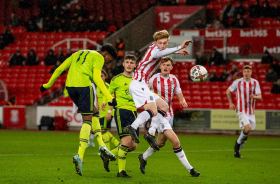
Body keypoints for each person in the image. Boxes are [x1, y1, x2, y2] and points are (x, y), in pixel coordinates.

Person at [40, 45, 118, 176]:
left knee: (94, 112)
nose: (107, 64)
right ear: (105, 54)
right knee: (87, 120)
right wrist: (110, 97)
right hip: (84, 87)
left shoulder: (77, 53)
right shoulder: (99, 57)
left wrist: (48, 84)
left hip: (70, 88)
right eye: (108, 61)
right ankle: (79, 156)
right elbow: (97, 78)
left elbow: (60, 69)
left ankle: (101, 145)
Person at [125, 30, 192, 150]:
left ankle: (150, 133)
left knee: (164, 107)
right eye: (160, 43)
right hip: (138, 83)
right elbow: (159, 53)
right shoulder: (154, 50)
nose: (162, 45)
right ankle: (134, 127)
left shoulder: (158, 51)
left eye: (165, 43)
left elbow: (163, 54)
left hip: (141, 85)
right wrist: (179, 47)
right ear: (155, 42)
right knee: (153, 110)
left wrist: (177, 51)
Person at [138, 56, 200, 177]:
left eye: (168, 65)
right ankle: (190, 169)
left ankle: (143, 157)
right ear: (160, 66)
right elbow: (145, 91)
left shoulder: (174, 79)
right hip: (159, 114)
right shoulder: (153, 79)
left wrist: (182, 101)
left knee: (160, 143)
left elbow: (178, 92)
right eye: (164, 65)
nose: (165, 67)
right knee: (175, 141)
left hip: (169, 114)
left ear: (171, 67)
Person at [100, 54, 138, 178]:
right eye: (127, 62)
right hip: (122, 111)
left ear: (135, 65)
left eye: (131, 62)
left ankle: (108, 154)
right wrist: (106, 102)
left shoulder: (138, 79)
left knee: (133, 146)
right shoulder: (116, 79)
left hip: (134, 112)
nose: (129, 64)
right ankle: (121, 171)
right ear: (123, 64)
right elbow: (109, 93)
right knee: (126, 141)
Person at [226, 65, 262, 158]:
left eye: (248, 71)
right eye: (245, 71)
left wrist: (254, 97)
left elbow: (260, 96)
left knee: (246, 132)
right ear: (242, 72)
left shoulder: (255, 82)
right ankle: (237, 145)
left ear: (251, 72)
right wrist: (230, 103)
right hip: (241, 110)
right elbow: (228, 91)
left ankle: (237, 152)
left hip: (250, 112)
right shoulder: (237, 82)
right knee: (248, 128)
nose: (246, 73)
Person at [87, 70, 120, 151]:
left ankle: (107, 150)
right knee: (102, 131)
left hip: (107, 112)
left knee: (102, 131)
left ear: (105, 77)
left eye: (102, 76)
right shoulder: (98, 87)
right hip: (101, 113)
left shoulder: (108, 87)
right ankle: (116, 143)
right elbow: (98, 101)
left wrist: (109, 112)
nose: (101, 78)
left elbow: (112, 100)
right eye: (99, 76)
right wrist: (96, 112)